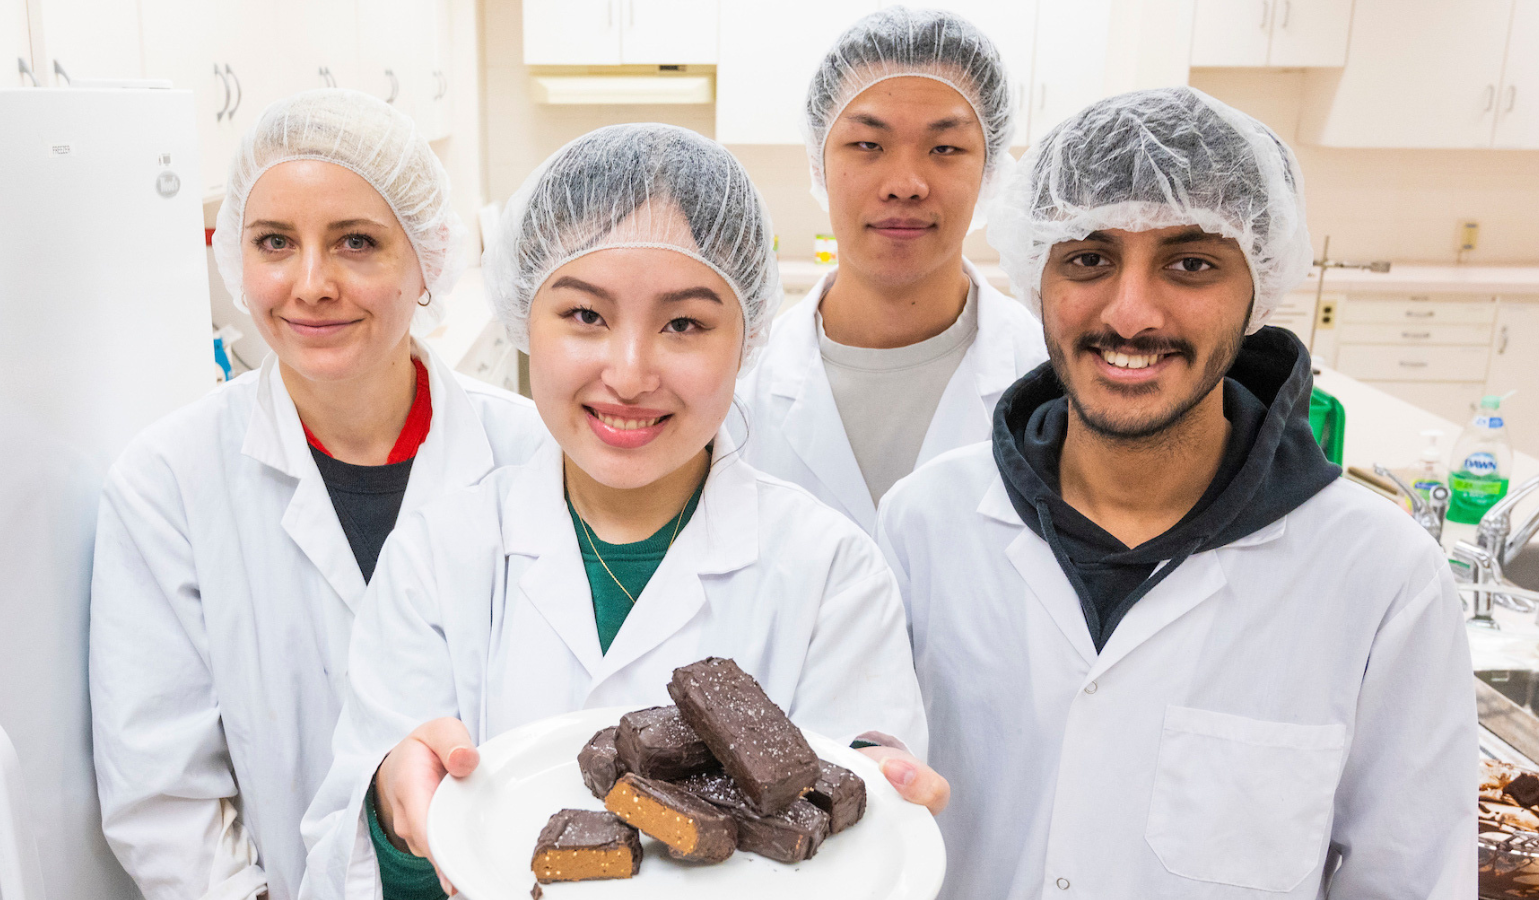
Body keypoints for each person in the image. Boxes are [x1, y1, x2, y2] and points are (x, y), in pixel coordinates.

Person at [299, 123, 944, 899]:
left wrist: (875, 800)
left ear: (747, 338)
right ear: (522, 321)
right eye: (584, 316)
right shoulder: (438, 558)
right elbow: (346, 865)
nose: (630, 373)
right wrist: (396, 819)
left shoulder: (831, 572)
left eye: (684, 324)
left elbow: (858, 845)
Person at [874, 87, 1478, 899]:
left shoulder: (1379, 579)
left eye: (1191, 263)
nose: (1131, 313)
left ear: (1257, 287)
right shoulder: (924, 525)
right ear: (1037, 277)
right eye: (1089, 259)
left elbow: (1411, 880)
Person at [88, 89, 550, 900]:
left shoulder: (533, 457)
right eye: (274, 242)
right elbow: (164, 800)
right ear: (237, 258)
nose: (310, 284)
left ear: (427, 262)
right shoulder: (167, 483)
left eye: (357, 243)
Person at [734, 6, 1047, 534]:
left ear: (990, 169)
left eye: (944, 148)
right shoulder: (738, 391)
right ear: (819, 163)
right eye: (867, 145)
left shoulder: (1050, 380)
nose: (905, 182)